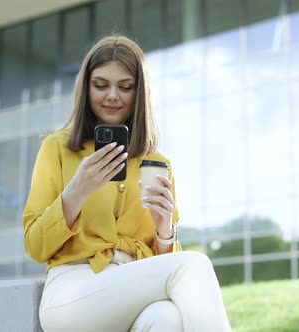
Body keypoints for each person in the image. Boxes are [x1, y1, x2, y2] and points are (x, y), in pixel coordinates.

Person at [23, 35, 232, 332]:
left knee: (166, 318)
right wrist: (77, 191)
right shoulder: (58, 148)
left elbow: (164, 266)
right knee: (192, 265)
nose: (112, 95)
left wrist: (164, 229)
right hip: (72, 294)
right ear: (86, 88)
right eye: (100, 85)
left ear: (140, 92)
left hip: (133, 290)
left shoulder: (159, 163)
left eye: (125, 87)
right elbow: (35, 246)